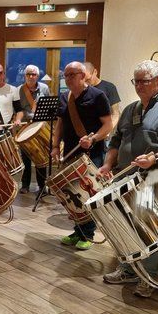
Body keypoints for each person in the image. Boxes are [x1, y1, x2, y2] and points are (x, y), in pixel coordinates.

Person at [98, 60, 158, 297]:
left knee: (148, 228)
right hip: (123, 178)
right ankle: (128, 269)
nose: (138, 86)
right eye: (135, 81)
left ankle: (148, 276)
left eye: (143, 81)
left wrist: (155, 158)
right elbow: (115, 141)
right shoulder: (130, 109)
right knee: (123, 225)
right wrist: (107, 164)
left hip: (152, 178)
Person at [50, 61, 112, 250]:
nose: (68, 79)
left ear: (83, 75)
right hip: (71, 152)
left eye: (72, 75)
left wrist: (93, 139)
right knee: (73, 194)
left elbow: (108, 125)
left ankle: (88, 234)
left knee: (89, 194)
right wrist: (55, 146)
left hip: (92, 153)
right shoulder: (64, 97)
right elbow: (60, 124)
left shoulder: (98, 96)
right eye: (66, 75)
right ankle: (78, 231)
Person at [18, 64, 50, 196]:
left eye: (33, 74)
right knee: (26, 157)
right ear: (25, 76)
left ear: (37, 76)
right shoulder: (20, 90)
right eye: (28, 74)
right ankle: (25, 185)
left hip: (39, 127)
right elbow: (18, 109)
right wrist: (19, 119)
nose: (31, 77)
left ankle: (42, 186)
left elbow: (48, 107)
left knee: (40, 157)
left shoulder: (44, 88)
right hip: (26, 127)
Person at [85, 61, 121, 131]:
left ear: (95, 72)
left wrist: (107, 130)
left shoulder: (109, 87)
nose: (87, 83)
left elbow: (115, 114)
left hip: (104, 130)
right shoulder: (83, 89)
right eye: (84, 80)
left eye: (88, 79)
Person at [0, 63, 23, 128]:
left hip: (7, 129)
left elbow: (19, 110)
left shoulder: (13, 89)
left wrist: (18, 120)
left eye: (1, 73)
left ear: (4, 74)